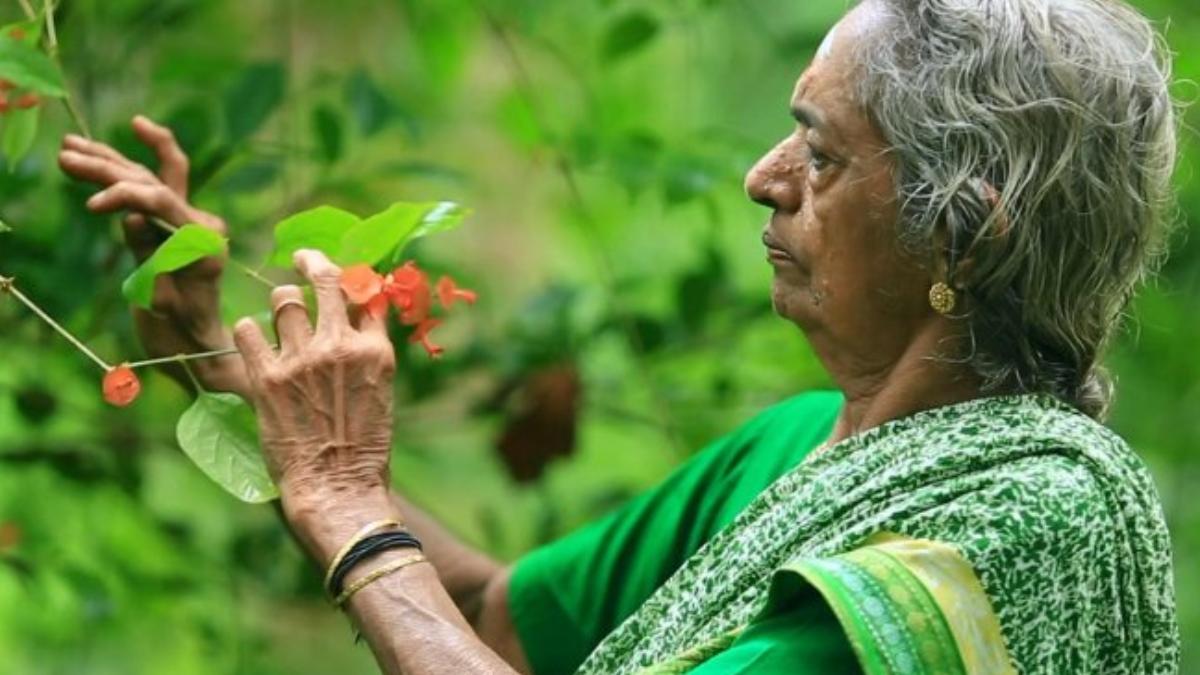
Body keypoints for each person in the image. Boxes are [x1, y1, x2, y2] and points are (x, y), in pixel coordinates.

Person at [58, 0, 1180, 672]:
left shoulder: (1009, 532)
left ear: (963, 237)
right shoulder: (795, 449)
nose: (763, 179)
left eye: (821, 154)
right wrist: (228, 365)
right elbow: (492, 623)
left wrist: (347, 500)